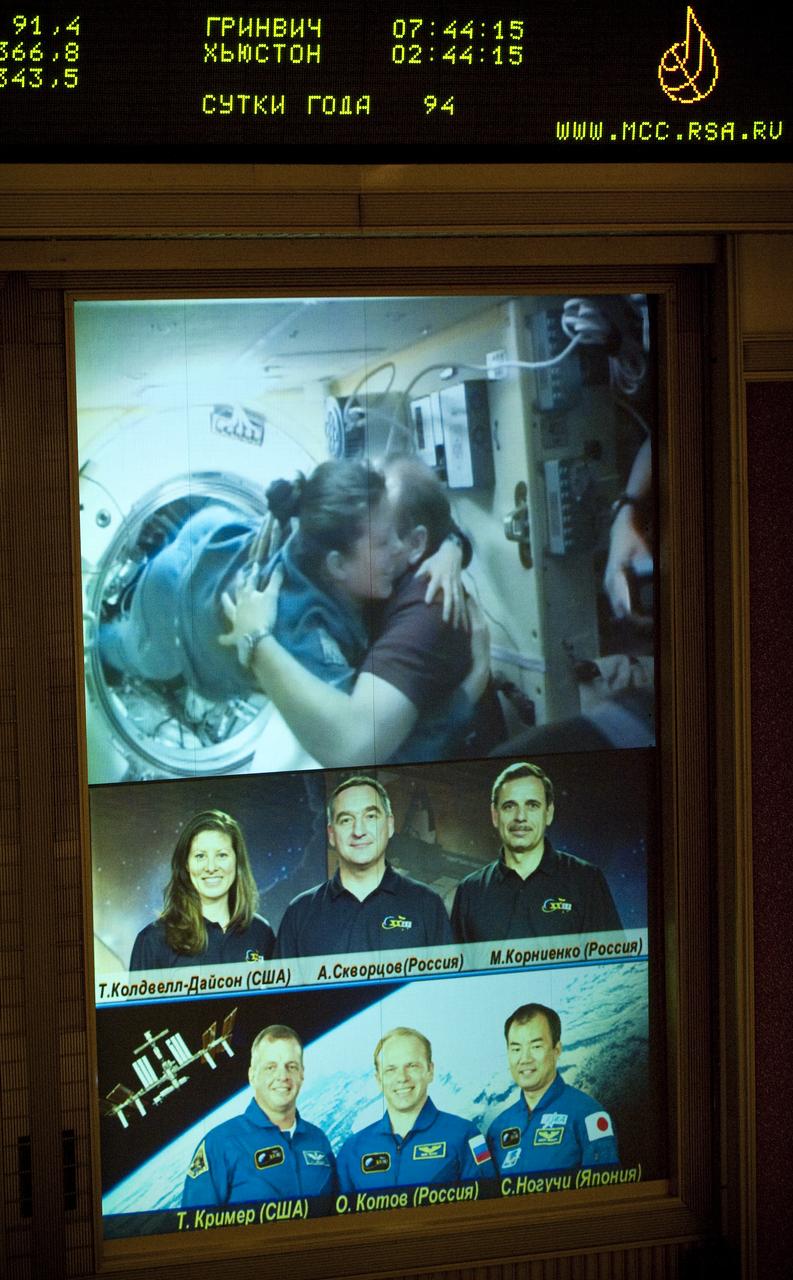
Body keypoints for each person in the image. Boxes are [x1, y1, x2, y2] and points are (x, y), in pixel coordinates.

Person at [220, 454, 500, 767]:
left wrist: (453, 545)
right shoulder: (303, 627)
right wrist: (257, 641)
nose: (398, 547)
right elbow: (356, 751)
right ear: (338, 566)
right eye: (383, 542)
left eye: (397, 533)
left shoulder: (333, 533)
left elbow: (432, 517)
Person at [274, 776, 453, 958]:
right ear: (331, 834)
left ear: (390, 825)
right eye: (346, 820)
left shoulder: (427, 904)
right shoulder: (299, 912)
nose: (359, 831)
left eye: (370, 816)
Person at [451, 762, 622, 943]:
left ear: (548, 813)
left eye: (532, 805)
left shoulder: (586, 881)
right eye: (509, 806)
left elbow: (614, 959)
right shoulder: (469, 891)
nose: (520, 817)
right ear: (495, 815)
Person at [182, 1024, 335, 1208]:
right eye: (270, 1067)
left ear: (301, 1074)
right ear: (252, 1076)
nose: (283, 1076)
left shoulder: (318, 1139)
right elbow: (194, 1222)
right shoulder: (219, 1144)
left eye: (291, 1066)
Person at [336, 1026, 493, 1191]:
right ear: (378, 1080)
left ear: (430, 1071)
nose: (402, 1078)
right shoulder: (352, 1150)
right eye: (390, 1069)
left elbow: (488, 1202)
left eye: (412, 1066)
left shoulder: (466, 1135)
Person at [129, 810, 274, 970]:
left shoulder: (261, 933)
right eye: (200, 856)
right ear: (186, 864)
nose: (211, 867)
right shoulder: (153, 940)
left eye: (222, 855)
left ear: (237, 861)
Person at [486, 1003, 619, 1175]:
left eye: (536, 1046)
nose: (525, 1059)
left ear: (556, 1050)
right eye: (516, 1049)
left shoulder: (588, 1115)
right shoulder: (498, 1128)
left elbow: (605, 1188)